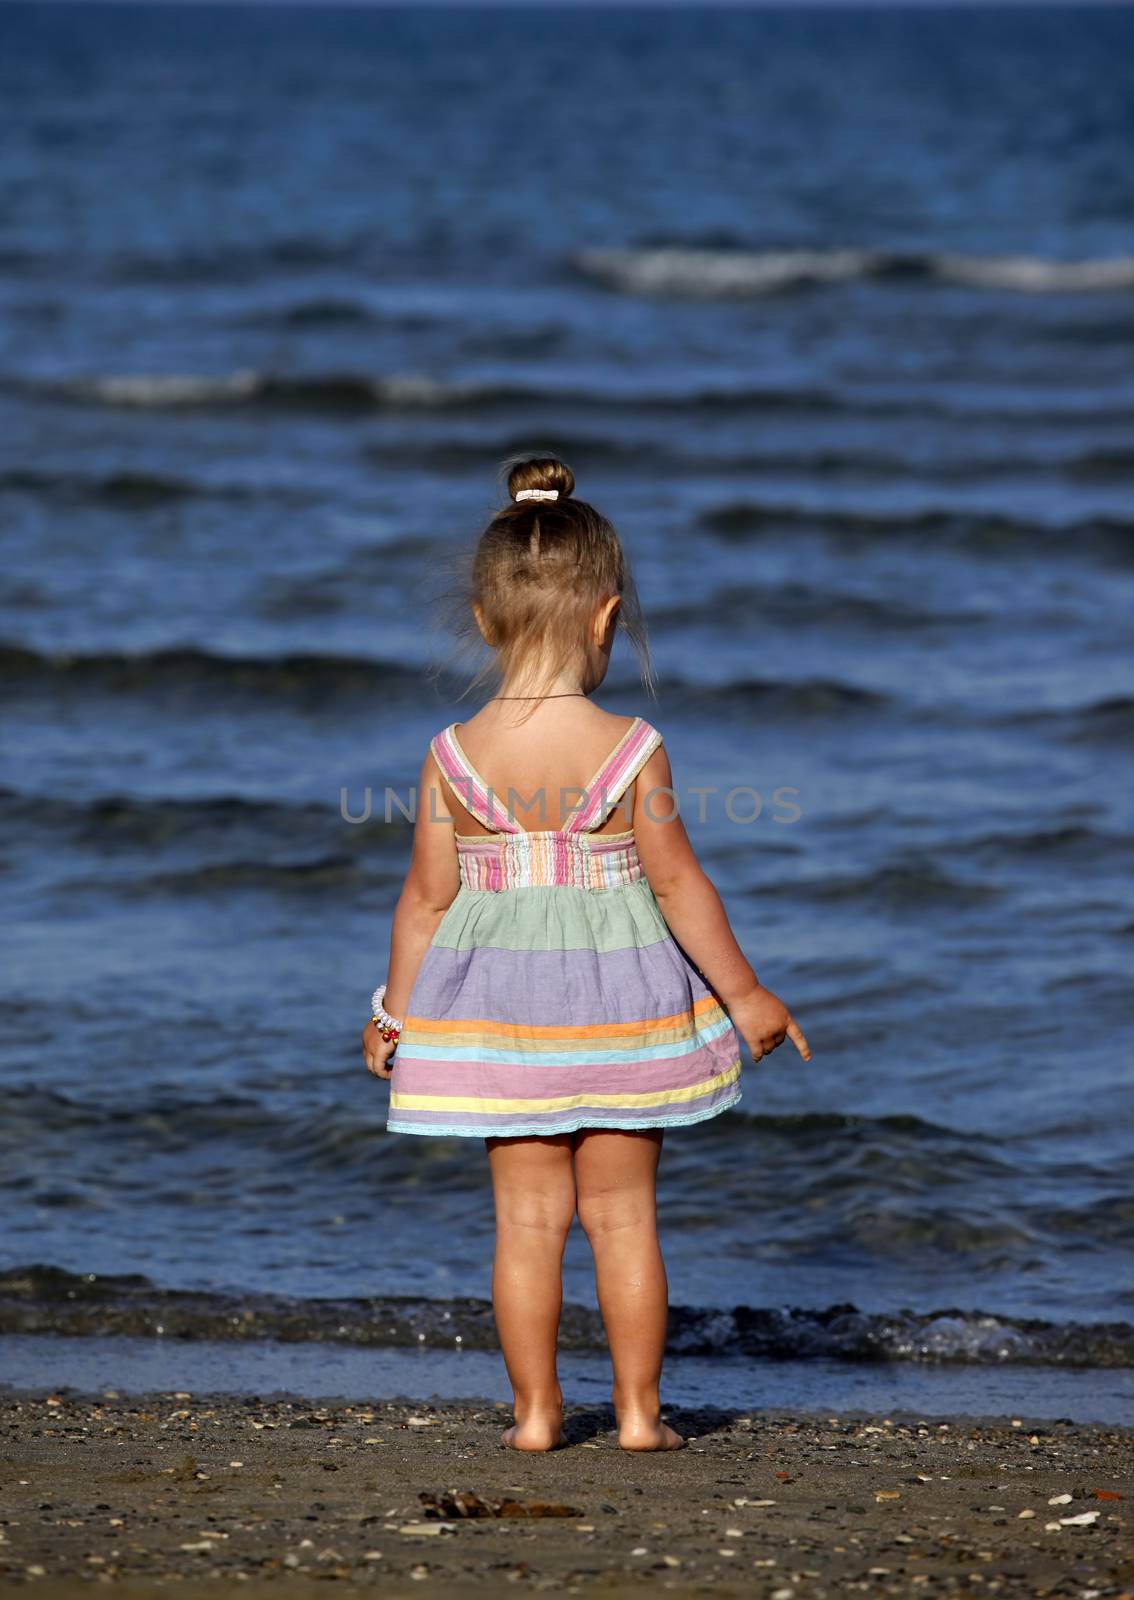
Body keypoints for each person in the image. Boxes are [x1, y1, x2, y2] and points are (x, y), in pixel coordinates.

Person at [361, 454, 811, 1454]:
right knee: (624, 1221)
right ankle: (642, 1418)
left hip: (499, 1016)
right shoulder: (631, 745)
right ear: (607, 617)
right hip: (623, 1004)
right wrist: (747, 997)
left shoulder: (450, 755)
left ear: (482, 619)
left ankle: (533, 1416)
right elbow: (680, 884)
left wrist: (395, 1015)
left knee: (525, 1225)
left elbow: (425, 901)